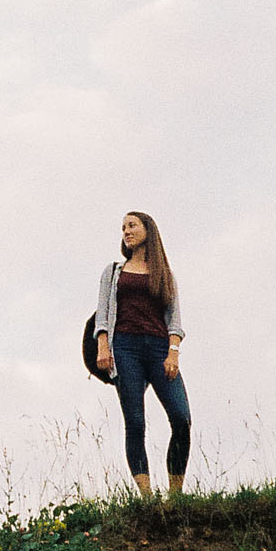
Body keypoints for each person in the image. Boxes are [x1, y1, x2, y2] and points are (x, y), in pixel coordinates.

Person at [93, 210, 190, 498]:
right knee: (135, 422)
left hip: (159, 348)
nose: (126, 231)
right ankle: (147, 498)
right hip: (125, 348)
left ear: (148, 230)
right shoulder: (113, 272)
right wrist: (103, 347)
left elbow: (174, 320)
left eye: (132, 225)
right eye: (123, 227)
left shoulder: (165, 275)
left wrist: (173, 353)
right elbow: (102, 314)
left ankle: (175, 496)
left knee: (181, 418)